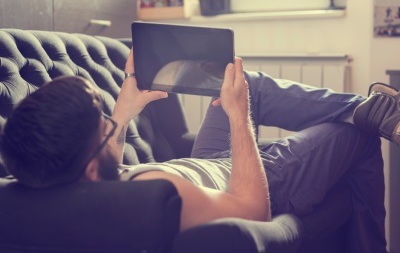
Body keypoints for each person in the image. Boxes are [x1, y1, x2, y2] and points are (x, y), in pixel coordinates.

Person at [0, 49, 398, 253]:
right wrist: (238, 117)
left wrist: (124, 109)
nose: (112, 127)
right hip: (251, 181)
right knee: (358, 137)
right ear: (88, 169)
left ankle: (368, 109)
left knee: (249, 80)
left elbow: (104, 170)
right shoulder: (153, 190)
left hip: (203, 164)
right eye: (106, 129)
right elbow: (254, 211)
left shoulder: (71, 183)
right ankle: (376, 117)